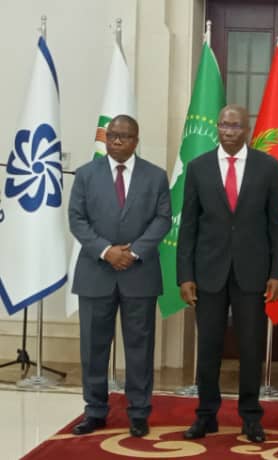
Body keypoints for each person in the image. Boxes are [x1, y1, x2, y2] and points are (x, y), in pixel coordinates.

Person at [177, 104, 278, 442]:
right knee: (208, 347)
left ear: (247, 129)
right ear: (217, 127)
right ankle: (206, 415)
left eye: (235, 125)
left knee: (251, 348)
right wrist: (185, 275)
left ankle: (251, 416)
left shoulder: (267, 167)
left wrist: (277, 273)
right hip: (208, 273)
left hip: (252, 273)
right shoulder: (198, 167)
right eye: (223, 125)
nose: (228, 131)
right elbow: (189, 226)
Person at [68, 115, 171, 438]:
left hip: (139, 273)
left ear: (136, 141)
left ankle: (139, 413)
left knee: (140, 347)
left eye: (124, 136)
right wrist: (106, 251)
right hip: (96, 272)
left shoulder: (156, 176)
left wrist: (134, 252)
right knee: (93, 347)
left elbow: (163, 219)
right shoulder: (86, 174)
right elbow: (76, 219)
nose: (116, 140)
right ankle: (94, 411)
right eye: (112, 135)